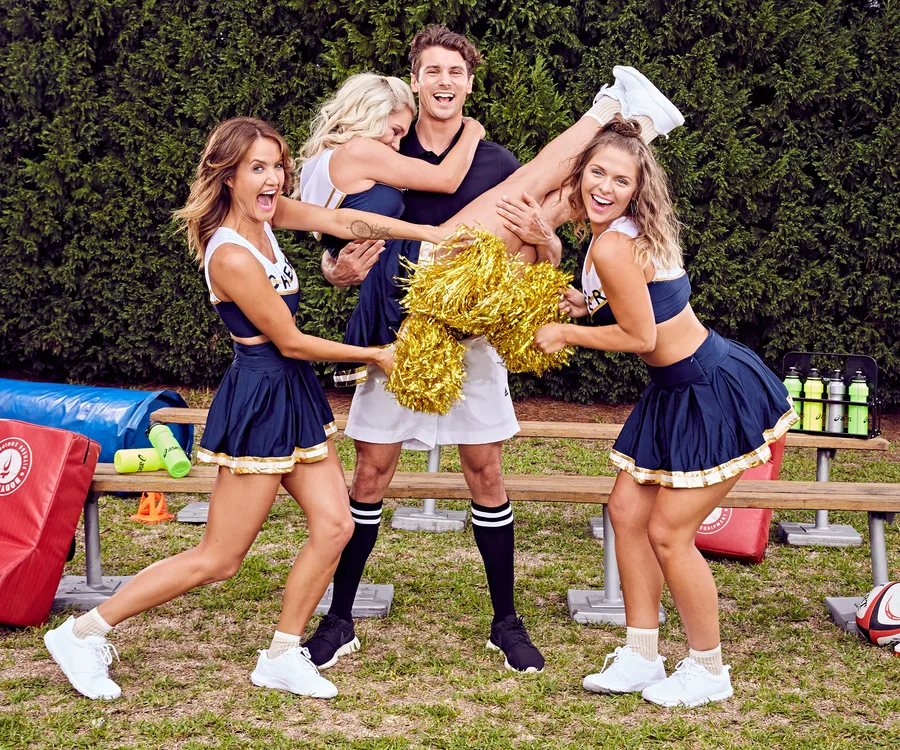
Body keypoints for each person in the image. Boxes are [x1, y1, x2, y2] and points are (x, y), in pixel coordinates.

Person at [271, 25, 685, 675]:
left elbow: (547, 238)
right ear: (414, 79)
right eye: (431, 70)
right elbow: (335, 251)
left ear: (468, 82)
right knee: (370, 475)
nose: (443, 82)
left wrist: (546, 245)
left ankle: (506, 623)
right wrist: (337, 270)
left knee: (486, 473)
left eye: (454, 72)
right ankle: (339, 619)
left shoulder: (495, 158)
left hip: (470, 332)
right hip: (398, 334)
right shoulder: (386, 142)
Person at [42, 116, 451, 702]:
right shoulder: (229, 254)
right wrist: (376, 354)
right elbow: (290, 342)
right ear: (227, 175)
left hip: (292, 395)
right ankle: (82, 633)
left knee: (336, 525)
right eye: (256, 168)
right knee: (220, 557)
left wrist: (428, 234)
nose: (272, 178)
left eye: (277, 165)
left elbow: (340, 220)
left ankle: (284, 654)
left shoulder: (268, 217)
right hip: (262, 399)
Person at [533, 117, 799, 706]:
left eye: (620, 180)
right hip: (677, 389)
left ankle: (708, 670)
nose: (605, 186)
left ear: (637, 189)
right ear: (580, 176)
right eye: (596, 172)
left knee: (669, 534)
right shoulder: (619, 234)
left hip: (709, 390)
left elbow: (640, 333)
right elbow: (635, 302)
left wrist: (565, 333)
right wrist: (584, 304)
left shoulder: (611, 242)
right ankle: (641, 655)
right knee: (626, 513)